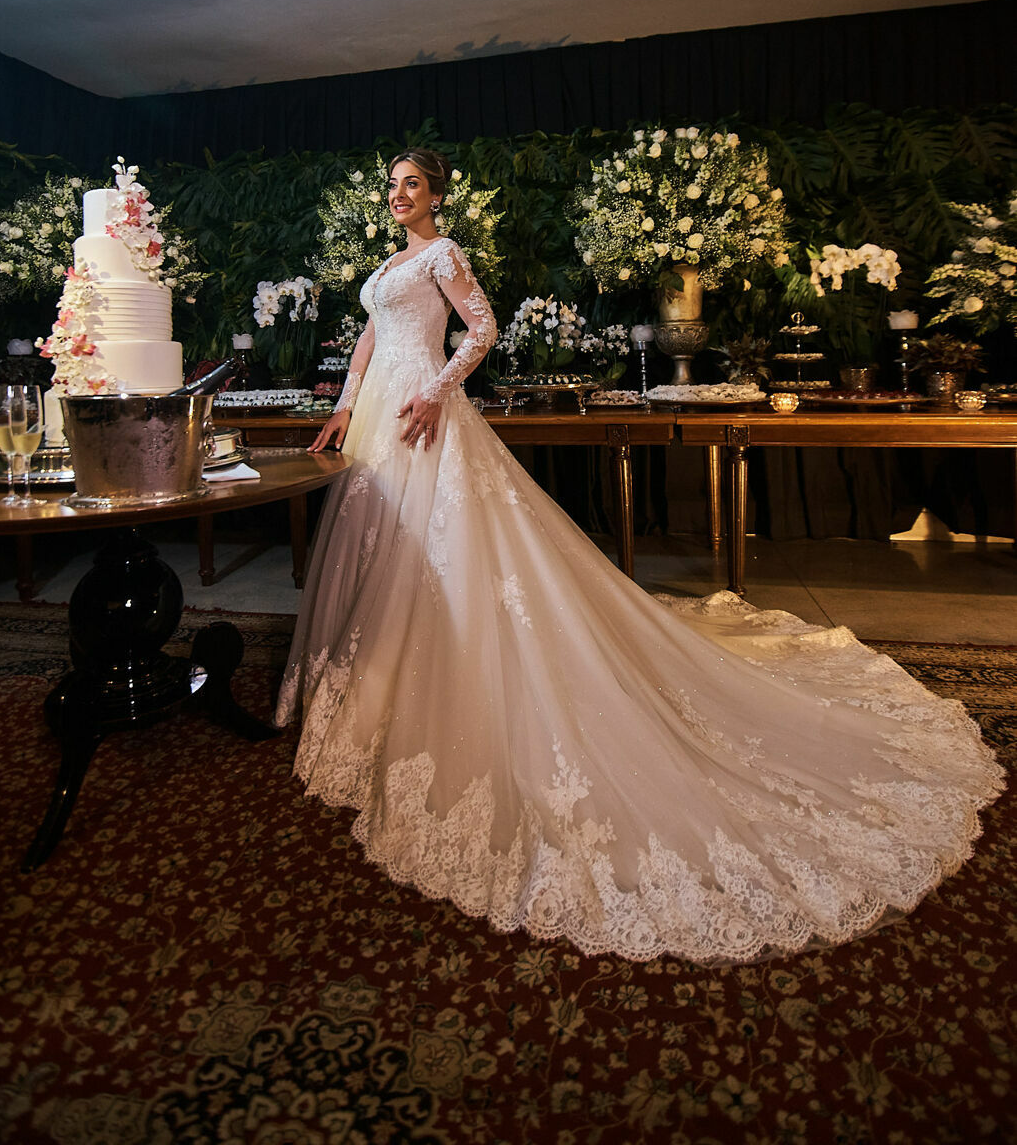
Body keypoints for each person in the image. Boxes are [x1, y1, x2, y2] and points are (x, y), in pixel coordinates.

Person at [276, 148, 1003, 963]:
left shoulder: (445, 255)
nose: (399, 194)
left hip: (423, 410)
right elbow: (373, 334)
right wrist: (342, 407)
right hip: (377, 413)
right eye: (393, 184)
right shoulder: (387, 266)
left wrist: (437, 391)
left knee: (451, 557)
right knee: (384, 550)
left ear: (437, 195)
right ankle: (377, 679)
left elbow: (483, 330)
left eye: (412, 183)